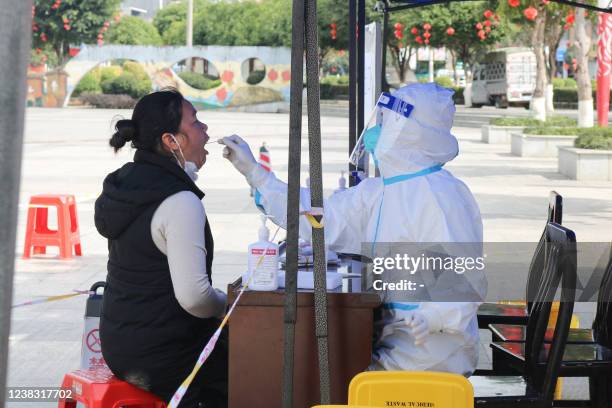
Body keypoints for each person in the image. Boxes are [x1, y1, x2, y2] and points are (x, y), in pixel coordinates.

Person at [220, 82, 486, 376]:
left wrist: (433, 317)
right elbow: (323, 218)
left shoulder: (439, 196)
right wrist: (257, 175)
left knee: (331, 378)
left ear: (408, 131)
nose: (376, 131)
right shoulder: (381, 191)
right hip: (395, 338)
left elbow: (462, 278)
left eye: (386, 122)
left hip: (430, 354)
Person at [94, 89, 228, 407]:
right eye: (196, 122)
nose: (205, 130)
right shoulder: (180, 201)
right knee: (254, 363)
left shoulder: (130, 183)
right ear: (172, 141)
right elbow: (195, 298)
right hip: (163, 354)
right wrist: (229, 307)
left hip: (119, 343)